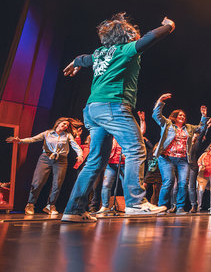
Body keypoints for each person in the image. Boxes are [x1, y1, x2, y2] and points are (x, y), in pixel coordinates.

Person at [61, 14, 174, 222]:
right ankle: (135, 202)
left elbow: (84, 58)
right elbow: (150, 38)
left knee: (95, 160)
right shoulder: (125, 50)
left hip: (92, 110)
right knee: (135, 148)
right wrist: (169, 26)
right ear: (125, 36)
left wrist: (75, 62)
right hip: (112, 106)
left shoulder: (100, 53)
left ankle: (73, 210)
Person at [6, 118, 84, 215]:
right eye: (64, 124)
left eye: (67, 125)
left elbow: (75, 146)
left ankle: (50, 206)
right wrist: (20, 140)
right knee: (37, 182)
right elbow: (33, 139)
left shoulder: (67, 135)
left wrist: (80, 155)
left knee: (57, 184)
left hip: (61, 160)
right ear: (58, 123)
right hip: (46, 158)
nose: (65, 126)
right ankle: (30, 204)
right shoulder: (47, 133)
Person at [152, 95, 208, 215]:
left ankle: (180, 207)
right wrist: (160, 101)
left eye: (183, 116)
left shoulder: (189, 128)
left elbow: (201, 129)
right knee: (169, 181)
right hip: (166, 158)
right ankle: (162, 206)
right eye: (180, 115)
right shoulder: (168, 124)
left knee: (183, 183)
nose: (182, 117)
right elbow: (156, 116)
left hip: (183, 159)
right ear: (175, 116)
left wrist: (203, 116)